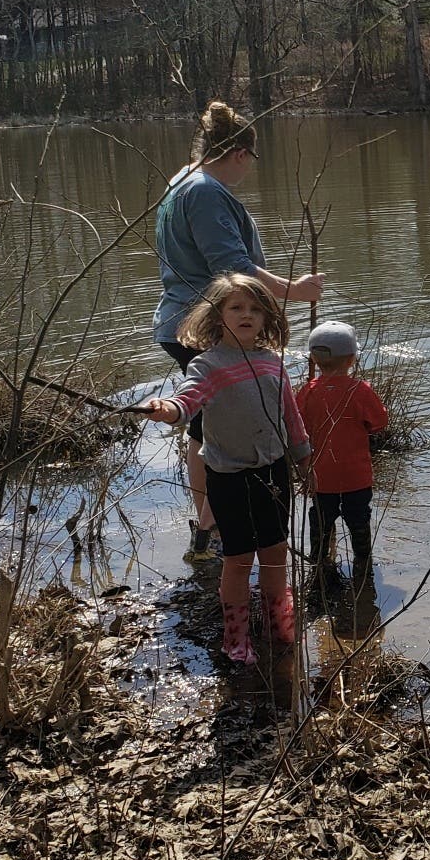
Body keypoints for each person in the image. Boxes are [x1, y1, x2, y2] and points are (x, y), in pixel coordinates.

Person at [152, 100, 324, 559]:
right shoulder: (206, 191)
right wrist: (294, 290)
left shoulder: (181, 180)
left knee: (205, 428)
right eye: (251, 160)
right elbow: (230, 267)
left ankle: (209, 528)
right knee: (223, 428)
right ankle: (214, 529)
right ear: (241, 154)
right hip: (209, 326)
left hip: (182, 320)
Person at [142, 273, 311, 665]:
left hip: (273, 473)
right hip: (229, 478)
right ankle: (236, 636)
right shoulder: (207, 365)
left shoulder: (273, 364)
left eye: (255, 309)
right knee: (238, 559)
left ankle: (278, 623)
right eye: (236, 307)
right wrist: (168, 410)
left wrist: (304, 460)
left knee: (276, 553)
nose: (246, 314)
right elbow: (188, 399)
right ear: (217, 316)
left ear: (267, 318)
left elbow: (292, 417)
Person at [298, 319, 389, 588]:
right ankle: (363, 560)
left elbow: (295, 428)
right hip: (356, 475)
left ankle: (318, 560)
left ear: (313, 359)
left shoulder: (306, 392)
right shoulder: (360, 390)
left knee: (321, 516)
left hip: (320, 476)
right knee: (358, 517)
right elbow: (379, 422)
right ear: (352, 359)